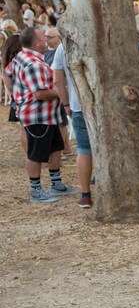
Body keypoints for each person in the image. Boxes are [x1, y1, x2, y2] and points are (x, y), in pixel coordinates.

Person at [8, 26, 73, 202]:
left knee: (55, 149)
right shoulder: (33, 64)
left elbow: (7, 72)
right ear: (36, 43)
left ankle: (56, 183)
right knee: (35, 155)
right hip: (38, 116)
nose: (46, 40)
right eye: (43, 38)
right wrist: (63, 90)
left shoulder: (24, 57)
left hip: (47, 115)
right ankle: (36, 190)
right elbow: (40, 94)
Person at [51, 39, 94, 208]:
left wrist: (66, 103)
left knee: (84, 150)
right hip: (106, 106)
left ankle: (86, 195)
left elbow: (58, 80)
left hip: (78, 105)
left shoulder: (63, 46)